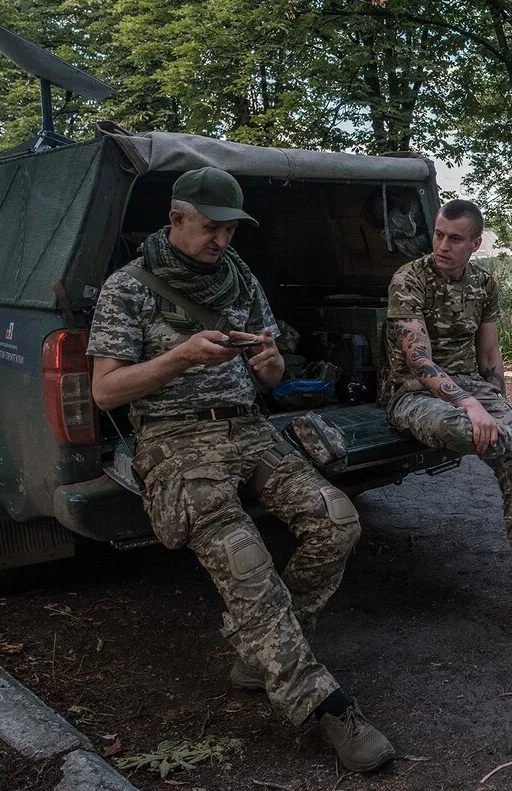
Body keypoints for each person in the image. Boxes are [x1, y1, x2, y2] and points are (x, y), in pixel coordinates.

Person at [87, 167, 395, 773]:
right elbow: (104, 392)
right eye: (211, 228)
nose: (222, 241)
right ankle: (325, 705)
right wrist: (179, 356)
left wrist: (273, 361)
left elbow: (272, 378)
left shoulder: (238, 276)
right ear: (176, 218)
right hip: (175, 438)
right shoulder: (128, 288)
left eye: (230, 230)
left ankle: (262, 646)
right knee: (242, 556)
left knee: (336, 521)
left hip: (248, 427)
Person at [384, 198, 512, 645]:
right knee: (457, 429)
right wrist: (470, 407)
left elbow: (490, 355)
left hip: (471, 387)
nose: (443, 245)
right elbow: (418, 362)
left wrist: (497, 403)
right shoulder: (409, 279)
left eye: (454, 239)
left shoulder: (484, 284)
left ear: (475, 244)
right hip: (414, 393)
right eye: (439, 235)